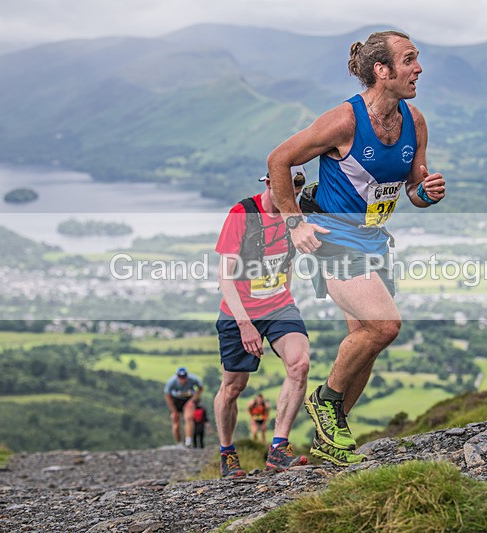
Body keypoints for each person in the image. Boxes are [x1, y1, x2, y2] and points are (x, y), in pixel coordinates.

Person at [266, 30, 445, 466]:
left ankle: (330, 440)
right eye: (409, 60)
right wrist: (295, 225)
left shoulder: (414, 121)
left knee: (363, 341)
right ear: (381, 71)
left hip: (372, 241)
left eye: (417, 59)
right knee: (384, 327)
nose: (418, 68)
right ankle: (324, 401)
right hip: (331, 237)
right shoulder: (344, 121)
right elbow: (278, 161)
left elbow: (412, 188)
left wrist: (427, 192)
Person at [213, 166, 311, 477]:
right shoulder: (243, 213)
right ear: (269, 182)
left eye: (296, 191)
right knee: (233, 387)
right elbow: (224, 276)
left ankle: (278, 449)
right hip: (239, 310)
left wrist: (287, 294)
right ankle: (227, 453)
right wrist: (245, 324)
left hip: (279, 306)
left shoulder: (294, 215)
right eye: (285, 189)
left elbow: (289, 258)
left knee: (300, 364)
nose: (290, 197)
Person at [163, 367, 204, 448]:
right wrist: (173, 411)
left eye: (184, 377)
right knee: (176, 422)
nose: (183, 379)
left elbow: (201, 388)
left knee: (188, 418)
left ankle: (188, 441)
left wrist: (193, 399)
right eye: (180, 377)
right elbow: (167, 396)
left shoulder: (193, 379)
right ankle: (179, 443)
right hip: (176, 401)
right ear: (177, 377)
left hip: (188, 400)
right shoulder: (172, 382)